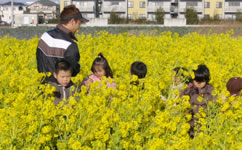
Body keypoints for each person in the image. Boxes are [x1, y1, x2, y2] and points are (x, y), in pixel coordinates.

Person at [36, 5, 88, 82]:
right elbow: (73, 71)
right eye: (79, 24)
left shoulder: (45, 36)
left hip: (42, 86)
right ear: (73, 22)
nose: (78, 28)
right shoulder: (70, 45)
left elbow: (39, 60)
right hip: (61, 90)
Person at [180, 64, 215, 138]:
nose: (199, 83)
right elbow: (180, 101)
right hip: (190, 124)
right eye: (196, 80)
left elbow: (215, 105)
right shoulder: (188, 90)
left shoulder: (211, 90)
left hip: (205, 125)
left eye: (201, 81)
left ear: (206, 79)